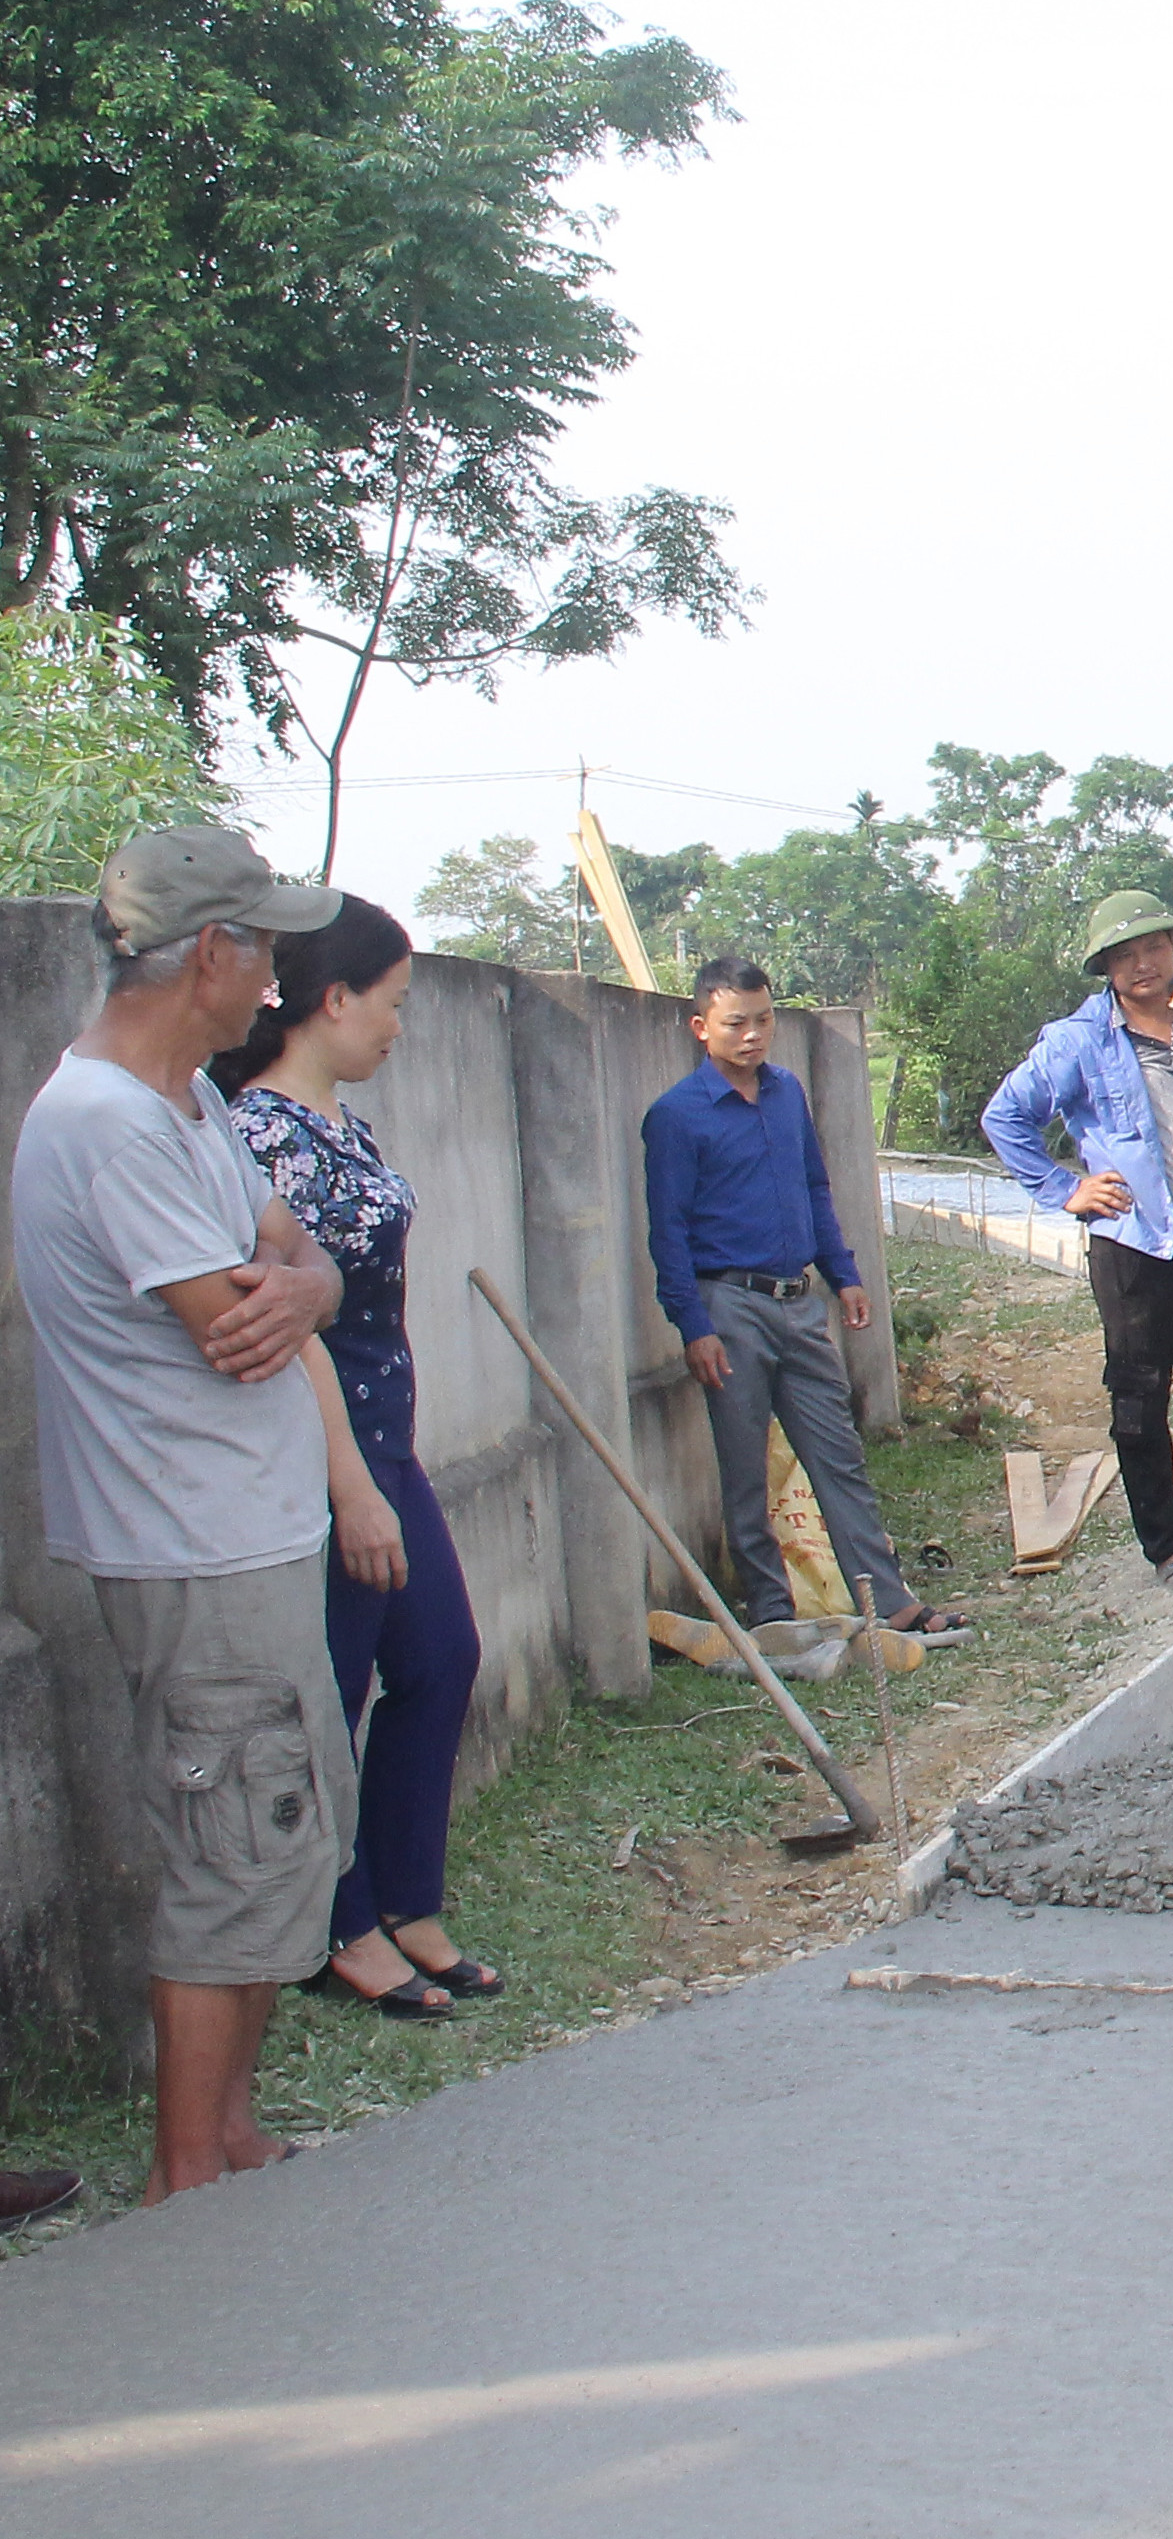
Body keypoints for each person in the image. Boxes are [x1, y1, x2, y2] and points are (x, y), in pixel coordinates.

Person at [13, 826, 349, 2198]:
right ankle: (185, 2174)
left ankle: (231, 2132)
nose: (272, 981)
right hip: (197, 1544)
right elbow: (234, 1324)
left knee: (277, 1839)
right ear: (209, 951)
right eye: (262, 950)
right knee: (230, 1848)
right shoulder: (104, 1124)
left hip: (249, 1535)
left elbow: (295, 1261)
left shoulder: (187, 1103)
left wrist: (312, 1285)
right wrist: (293, 1292)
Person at [210, 897, 504, 2021]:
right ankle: (339, 1923)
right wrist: (347, 1481)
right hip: (318, 1445)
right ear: (332, 1002)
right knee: (332, 1690)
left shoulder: (343, 1125)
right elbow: (288, 1327)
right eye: (392, 1006)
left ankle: (407, 1902)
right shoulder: (259, 1135)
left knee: (439, 1654)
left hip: (386, 1432)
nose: (399, 1028)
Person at [642, 957, 965, 1640]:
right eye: (737, 1023)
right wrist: (692, 1323)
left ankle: (890, 1601)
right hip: (728, 1306)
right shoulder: (676, 1117)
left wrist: (843, 1272)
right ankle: (772, 1616)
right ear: (702, 1027)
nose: (754, 1035)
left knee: (836, 1452)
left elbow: (815, 1188)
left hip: (800, 1300)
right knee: (744, 1466)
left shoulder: (786, 1093)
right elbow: (666, 1231)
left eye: (764, 1020)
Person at [981, 890, 1173, 1585]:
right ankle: (1165, 1548)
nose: (1143, 964)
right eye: (1125, 954)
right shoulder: (1077, 1041)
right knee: (1139, 1397)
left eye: (1154, 947)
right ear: (1105, 967)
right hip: (1135, 1246)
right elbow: (1005, 1117)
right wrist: (1063, 1188)